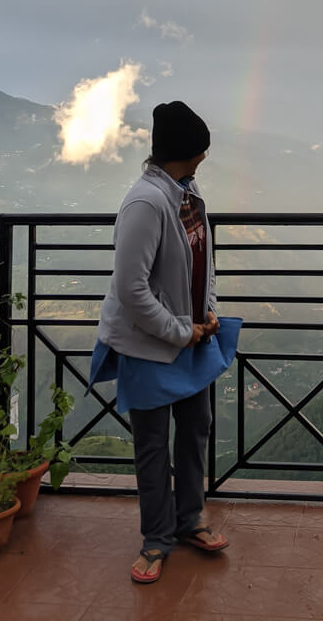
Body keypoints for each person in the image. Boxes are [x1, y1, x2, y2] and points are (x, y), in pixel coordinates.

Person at [90, 100, 228, 584]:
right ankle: (156, 538)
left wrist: (206, 309)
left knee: (195, 431)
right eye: (201, 150)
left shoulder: (187, 195)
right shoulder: (146, 204)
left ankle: (190, 520)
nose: (206, 157)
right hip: (150, 345)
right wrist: (178, 330)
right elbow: (131, 290)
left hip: (191, 336)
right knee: (153, 444)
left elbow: (203, 261)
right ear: (186, 152)